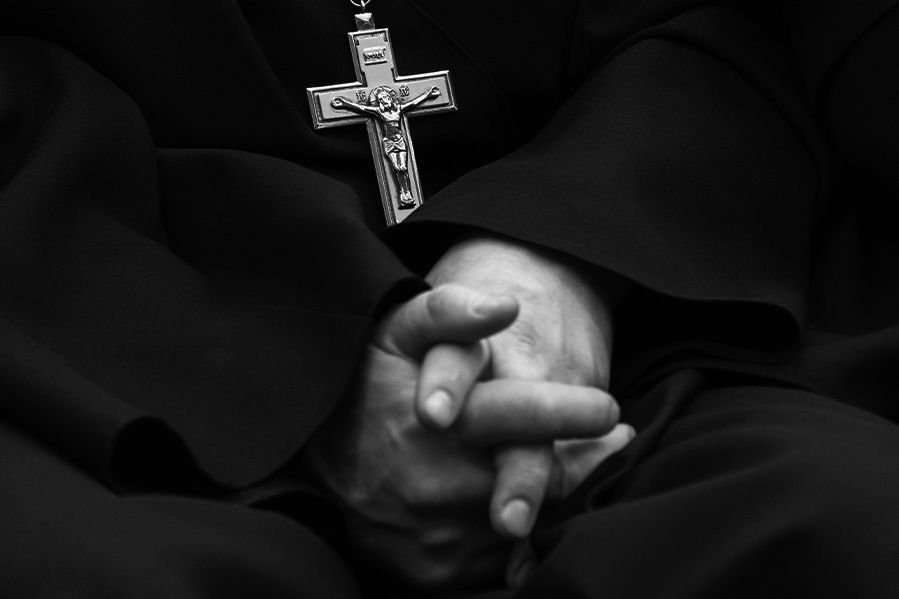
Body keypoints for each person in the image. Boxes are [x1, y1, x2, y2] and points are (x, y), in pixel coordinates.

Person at [2, 1, 899, 598]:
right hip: (114, 333)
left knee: (849, 520)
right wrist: (310, 376)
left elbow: (717, 19)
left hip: (659, 293)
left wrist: (557, 248)